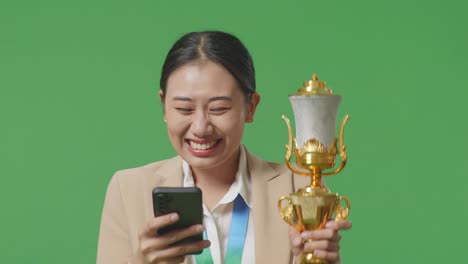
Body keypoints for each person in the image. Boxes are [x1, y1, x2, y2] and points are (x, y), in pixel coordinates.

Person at [97, 31, 352, 264]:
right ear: (163, 105)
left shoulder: (299, 187)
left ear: (251, 107)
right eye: (183, 109)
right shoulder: (127, 190)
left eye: (219, 109)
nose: (200, 127)